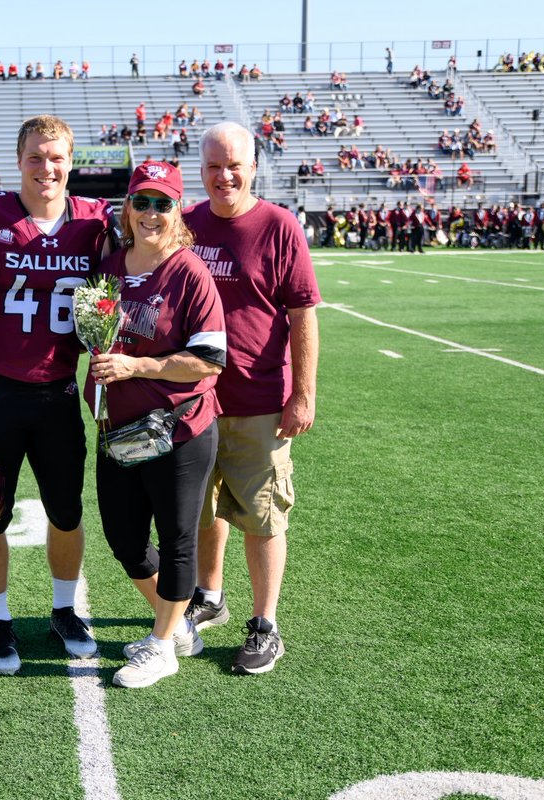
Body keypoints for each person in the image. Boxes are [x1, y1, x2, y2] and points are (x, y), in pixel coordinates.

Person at [0, 115, 117, 675]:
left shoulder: (95, 222)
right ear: (19, 160)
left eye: (56, 157)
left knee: (66, 512)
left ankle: (65, 610)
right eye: (37, 157)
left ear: (71, 161)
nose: (47, 168)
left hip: (59, 395)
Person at [182, 122, 321, 675]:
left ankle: (266, 624)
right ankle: (209, 595)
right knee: (202, 508)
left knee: (264, 516)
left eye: (234, 164)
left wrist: (303, 394)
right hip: (194, 399)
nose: (225, 175)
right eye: (214, 165)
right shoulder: (186, 222)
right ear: (202, 170)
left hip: (261, 398)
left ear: (255, 165)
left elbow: (303, 317)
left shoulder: (279, 225)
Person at [88, 161, 226, 688]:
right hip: (116, 428)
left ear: (177, 210)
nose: (150, 213)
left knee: (176, 540)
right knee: (124, 539)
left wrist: (136, 365)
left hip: (177, 429)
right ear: (127, 207)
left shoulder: (190, 271)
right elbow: (97, 335)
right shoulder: (110, 268)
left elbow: (210, 359)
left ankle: (163, 644)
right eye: (141, 201)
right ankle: (177, 622)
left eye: (162, 203)